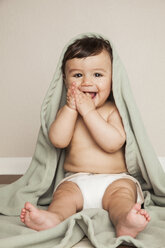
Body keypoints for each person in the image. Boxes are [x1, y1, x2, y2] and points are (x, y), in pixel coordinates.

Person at [20, 36, 150, 237]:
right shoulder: (67, 112)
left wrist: (89, 112)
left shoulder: (113, 111)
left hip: (115, 180)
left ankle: (124, 220)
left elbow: (113, 143)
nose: (87, 82)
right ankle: (53, 217)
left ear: (113, 78)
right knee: (63, 198)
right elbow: (57, 140)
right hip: (77, 180)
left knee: (123, 198)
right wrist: (72, 109)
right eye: (78, 75)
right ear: (65, 79)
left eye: (97, 74)